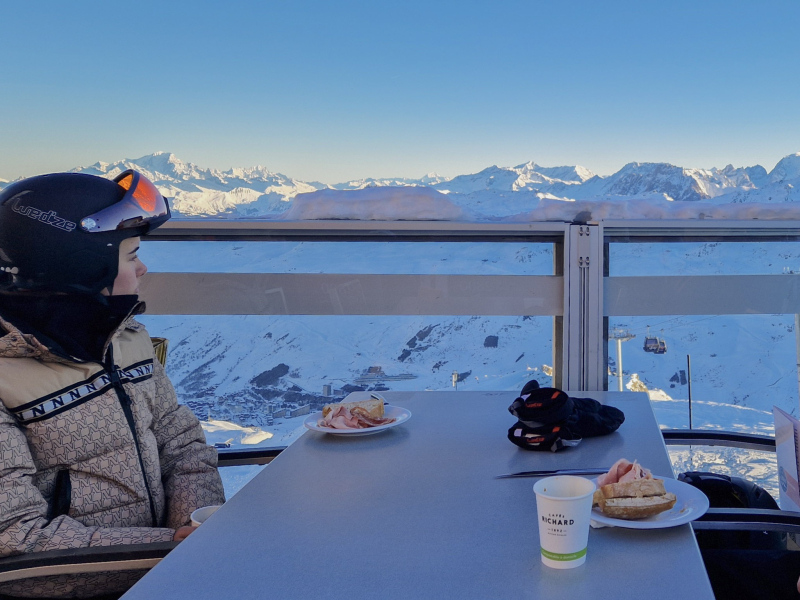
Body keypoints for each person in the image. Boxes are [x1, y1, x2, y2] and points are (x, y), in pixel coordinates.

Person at [0, 170, 226, 598]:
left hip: (167, 573)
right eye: (131, 255)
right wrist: (169, 549)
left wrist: (193, 527)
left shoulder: (125, 338)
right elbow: (13, 538)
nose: (143, 268)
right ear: (81, 266)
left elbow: (181, 443)